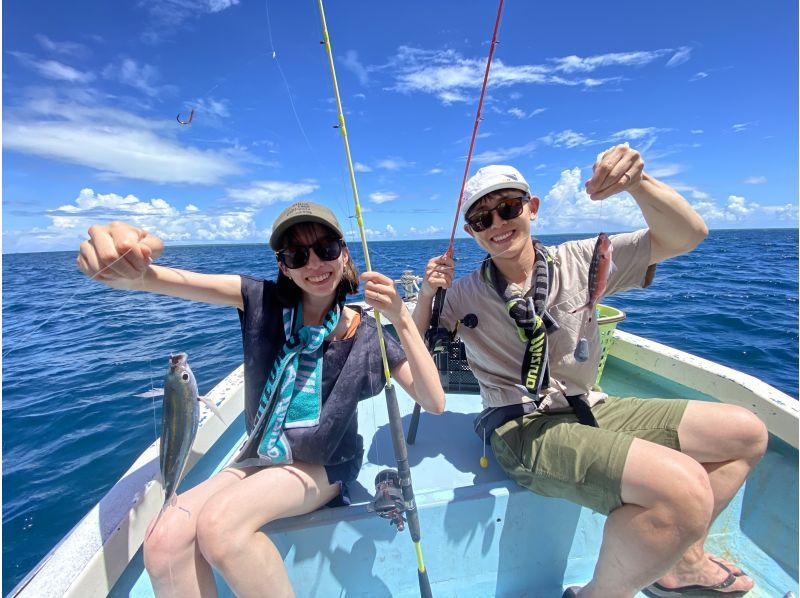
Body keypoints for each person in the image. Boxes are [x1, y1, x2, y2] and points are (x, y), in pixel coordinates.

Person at [413, 145, 767, 598]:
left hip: (589, 404)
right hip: (522, 426)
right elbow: (414, 346)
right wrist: (426, 294)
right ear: (471, 232)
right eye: (483, 220)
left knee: (745, 433)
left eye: (507, 208)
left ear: (532, 208)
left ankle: (679, 560)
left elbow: (686, 237)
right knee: (683, 487)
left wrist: (637, 183)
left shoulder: (584, 258)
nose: (498, 225)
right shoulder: (463, 293)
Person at [77, 201, 445, 597]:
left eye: (325, 248)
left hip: (325, 464)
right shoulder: (261, 301)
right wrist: (125, 265)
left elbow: (434, 400)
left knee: (222, 526)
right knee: (166, 538)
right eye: (296, 254)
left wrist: (401, 317)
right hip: (262, 454)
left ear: (344, 254)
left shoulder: (368, 335)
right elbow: (157, 280)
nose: (314, 263)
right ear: (283, 265)